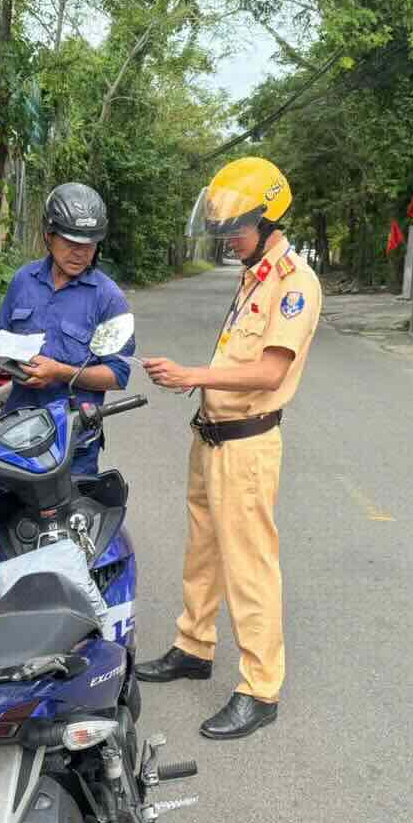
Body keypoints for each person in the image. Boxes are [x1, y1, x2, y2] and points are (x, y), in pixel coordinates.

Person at [136, 156, 322, 740]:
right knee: (203, 552)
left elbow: (268, 372)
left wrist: (192, 374)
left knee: (249, 565)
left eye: (236, 227)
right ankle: (193, 647)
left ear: (269, 220)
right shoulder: (255, 272)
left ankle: (260, 688)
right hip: (210, 438)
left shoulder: (294, 283)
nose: (226, 237)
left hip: (246, 445)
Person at [0, 181, 135, 624]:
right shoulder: (25, 281)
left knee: (69, 526)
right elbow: (4, 343)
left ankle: (70, 616)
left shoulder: (107, 298)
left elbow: (117, 375)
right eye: (71, 241)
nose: (81, 252)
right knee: (1, 510)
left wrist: (61, 373)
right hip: (18, 426)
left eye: (90, 244)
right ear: (48, 234)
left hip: (72, 436)